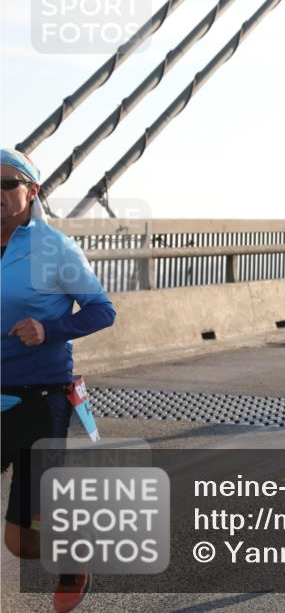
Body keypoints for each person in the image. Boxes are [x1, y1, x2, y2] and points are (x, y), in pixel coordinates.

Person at [1, 149, 116, 613]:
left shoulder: (54, 248)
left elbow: (102, 310)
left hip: (40, 397)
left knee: (23, 542)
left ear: (32, 191)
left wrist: (48, 329)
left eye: (7, 183)